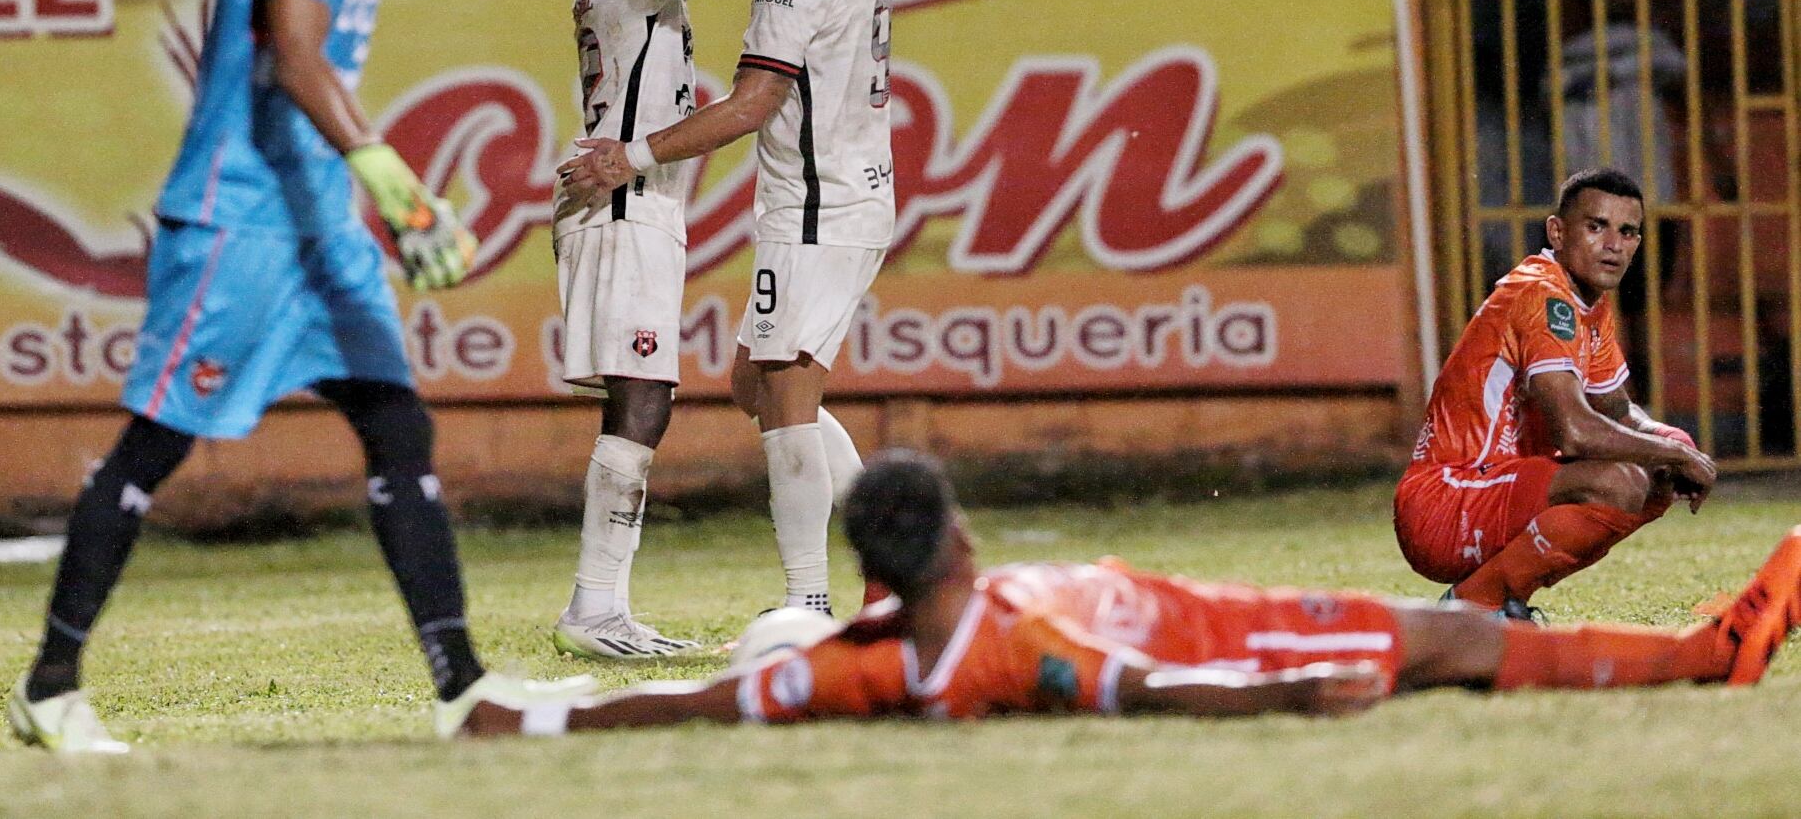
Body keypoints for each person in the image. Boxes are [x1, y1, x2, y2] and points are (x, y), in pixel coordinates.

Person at [9, 0, 541, 753]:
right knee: (158, 442)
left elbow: (318, 67)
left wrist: (372, 193)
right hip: (242, 218)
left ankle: (462, 685)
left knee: (396, 421)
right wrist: (392, 180)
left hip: (317, 216)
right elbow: (295, 59)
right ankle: (50, 686)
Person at [446, 450, 1801, 736]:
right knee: (1450, 637)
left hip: (1183, 612)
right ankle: (1710, 657)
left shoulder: (858, 657)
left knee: (1449, 639)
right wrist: (1287, 691)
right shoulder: (1017, 646)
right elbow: (1146, 685)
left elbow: (696, 703)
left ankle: (1706, 654)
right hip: (1228, 631)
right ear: (956, 543)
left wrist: (536, 715)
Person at [550, 0, 903, 658]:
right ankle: (596, 608)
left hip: (638, 198)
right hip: (621, 196)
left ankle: (873, 566)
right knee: (645, 400)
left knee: (749, 387)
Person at [1396, 167, 1718, 619]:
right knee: (1620, 480)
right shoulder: (1542, 295)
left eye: (1627, 231)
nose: (1613, 244)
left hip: (1500, 487)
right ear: (1557, 232)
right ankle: (1479, 604)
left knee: (1663, 456)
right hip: (1446, 500)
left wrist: (1676, 447)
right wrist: (1675, 454)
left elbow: (1619, 411)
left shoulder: (1588, 302)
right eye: (1596, 226)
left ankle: (1496, 600)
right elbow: (1575, 433)